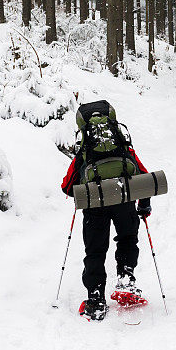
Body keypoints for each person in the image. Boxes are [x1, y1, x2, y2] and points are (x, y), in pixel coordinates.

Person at [61, 100, 152, 321]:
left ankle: (95, 300)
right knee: (128, 239)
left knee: (95, 250)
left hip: (95, 205)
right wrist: (144, 203)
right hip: (124, 199)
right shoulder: (121, 142)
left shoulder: (85, 147)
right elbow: (141, 172)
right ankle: (126, 282)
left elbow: (66, 186)